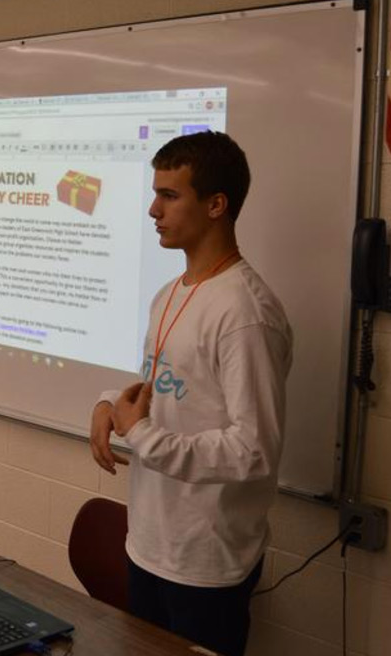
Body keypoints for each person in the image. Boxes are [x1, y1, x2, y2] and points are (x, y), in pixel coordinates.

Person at [89, 131, 292, 656]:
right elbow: (158, 388)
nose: (153, 209)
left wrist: (142, 436)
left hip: (205, 564)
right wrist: (111, 403)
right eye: (155, 193)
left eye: (170, 195)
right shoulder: (170, 294)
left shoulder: (245, 313)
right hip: (150, 544)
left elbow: (254, 451)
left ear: (217, 205)